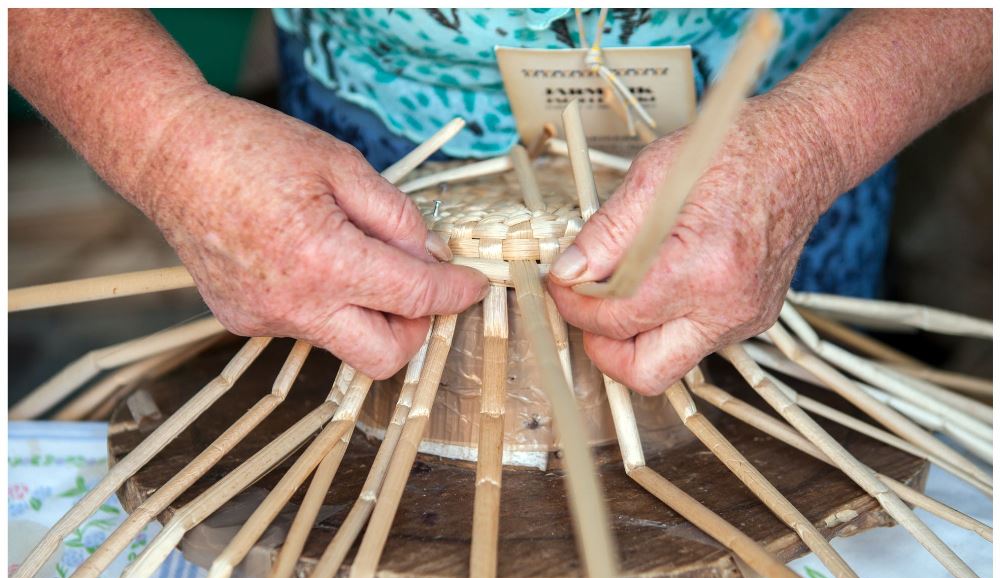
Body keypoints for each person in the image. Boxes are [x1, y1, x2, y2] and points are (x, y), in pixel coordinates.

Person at [10, 9, 992, 395]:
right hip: (371, 151)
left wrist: (817, 140)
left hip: (777, 148)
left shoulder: (797, 152)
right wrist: (166, 142)